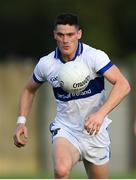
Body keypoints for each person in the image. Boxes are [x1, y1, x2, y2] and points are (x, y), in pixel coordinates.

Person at [13, 13, 131, 179]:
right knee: (61, 170)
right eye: (61, 35)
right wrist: (21, 122)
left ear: (79, 34)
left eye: (70, 35)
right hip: (66, 129)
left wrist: (100, 114)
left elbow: (123, 85)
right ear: (55, 35)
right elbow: (28, 90)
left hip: (95, 132)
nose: (65, 40)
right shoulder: (46, 64)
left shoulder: (94, 57)